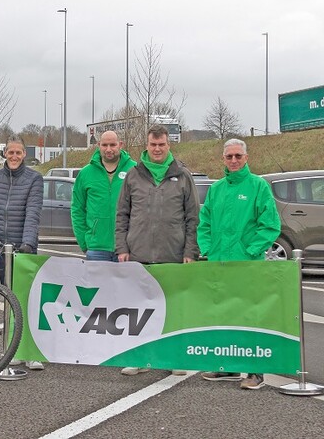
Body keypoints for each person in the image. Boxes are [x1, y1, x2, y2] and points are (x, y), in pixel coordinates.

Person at [115, 124, 199, 376]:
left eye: (162, 144)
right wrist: (122, 247)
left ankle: (174, 358)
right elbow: (122, 215)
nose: (157, 149)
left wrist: (190, 251)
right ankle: (141, 358)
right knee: (139, 310)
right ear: (147, 145)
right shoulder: (133, 175)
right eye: (153, 144)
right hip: (139, 254)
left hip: (172, 255)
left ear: (168, 145)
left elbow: (193, 218)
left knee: (172, 309)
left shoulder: (183, 176)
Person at [197, 139, 281, 390]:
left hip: (247, 265)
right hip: (219, 264)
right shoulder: (216, 189)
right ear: (223, 159)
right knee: (224, 314)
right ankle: (229, 366)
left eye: (238, 156)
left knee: (250, 315)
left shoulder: (258, 186)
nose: (233, 160)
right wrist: (208, 249)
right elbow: (205, 223)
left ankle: (255, 371)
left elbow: (270, 225)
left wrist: (251, 250)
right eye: (229, 156)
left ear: (246, 157)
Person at [0, 136, 44, 370]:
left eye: (18, 153)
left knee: (26, 298)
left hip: (23, 248)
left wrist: (27, 243)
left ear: (24, 154)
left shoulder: (34, 179)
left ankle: (32, 352)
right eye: (10, 152)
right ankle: (13, 349)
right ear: (4, 154)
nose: (14, 156)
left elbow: (33, 213)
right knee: (9, 299)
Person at [71, 131, 136, 261]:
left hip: (127, 249)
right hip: (96, 249)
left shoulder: (135, 170)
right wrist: (85, 243)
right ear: (99, 145)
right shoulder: (85, 174)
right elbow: (77, 210)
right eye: (104, 145)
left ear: (120, 145)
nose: (108, 149)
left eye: (113, 145)